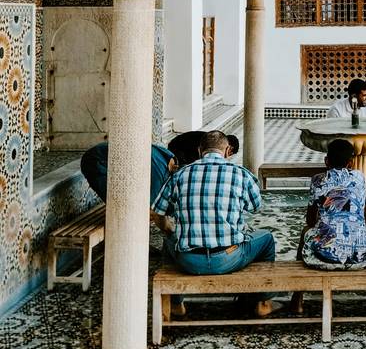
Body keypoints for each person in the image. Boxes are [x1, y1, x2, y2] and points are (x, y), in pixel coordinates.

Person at [152, 130, 277, 317]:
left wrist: (170, 230)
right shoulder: (241, 175)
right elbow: (256, 206)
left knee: (169, 240)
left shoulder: (180, 175)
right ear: (227, 151)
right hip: (229, 257)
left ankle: (176, 303)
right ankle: (263, 302)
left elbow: (157, 212)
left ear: (200, 149)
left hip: (189, 260)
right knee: (266, 239)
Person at [289, 138, 366, 315]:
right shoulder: (359, 177)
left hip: (325, 256)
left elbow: (310, 221)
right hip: (360, 256)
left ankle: (297, 299)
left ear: (326, 161)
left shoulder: (318, 180)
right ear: (351, 163)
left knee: (306, 231)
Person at [80, 141, 177, 205]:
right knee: (119, 207)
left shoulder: (169, 156)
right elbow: (150, 210)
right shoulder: (158, 174)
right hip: (95, 161)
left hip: (106, 155)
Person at [167, 130, 240, 168]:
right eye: (230, 153)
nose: (228, 156)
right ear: (229, 148)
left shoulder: (213, 138)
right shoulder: (208, 143)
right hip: (177, 149)